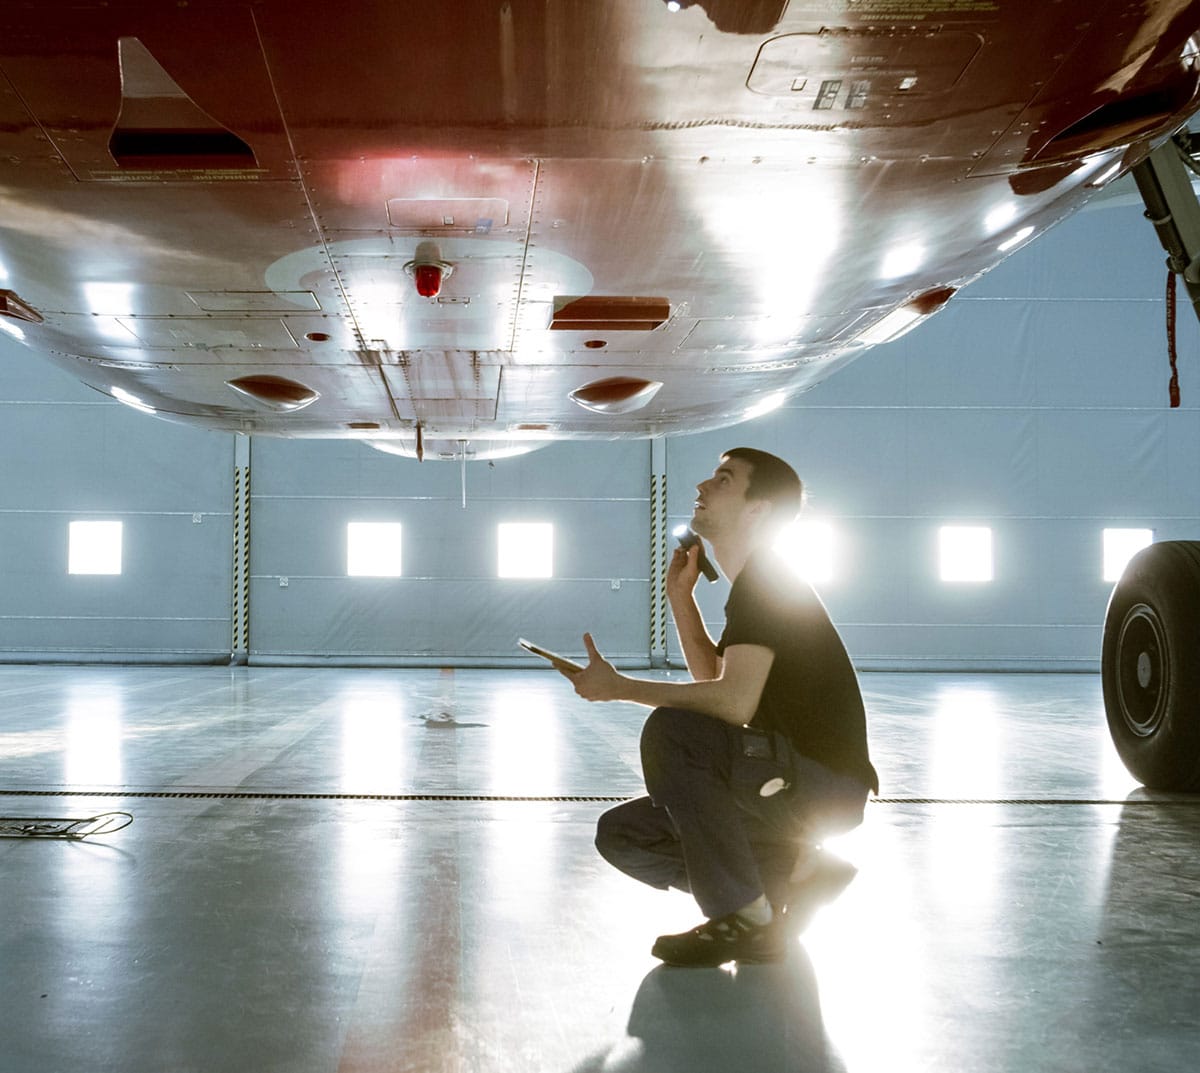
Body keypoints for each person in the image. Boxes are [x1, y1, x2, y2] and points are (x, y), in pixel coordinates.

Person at [564, 447, 878, 967]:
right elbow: (716, 681)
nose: (703, 488)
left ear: (758, 511)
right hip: (780, 779)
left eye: (724, 480)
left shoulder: (768, 584)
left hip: (821, 785)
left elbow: (731, 703)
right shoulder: (756, 587)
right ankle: (798, 871)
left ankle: (742, 914)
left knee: (675, 732)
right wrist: (681, 598)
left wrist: (620, 686)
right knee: (625, 835)